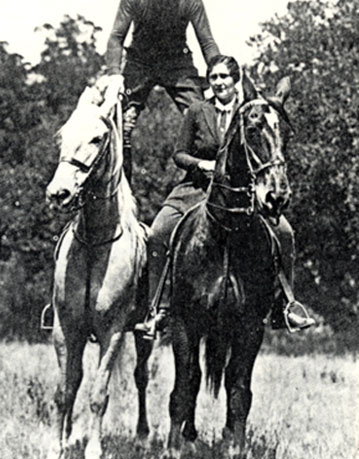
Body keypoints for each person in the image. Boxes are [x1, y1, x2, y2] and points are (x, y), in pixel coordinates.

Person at [135, 54, 315, 337]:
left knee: (285, 233)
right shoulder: (197, 110)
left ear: (236, 81)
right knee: (158, 231)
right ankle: (158, 308)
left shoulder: (249, 113)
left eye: (224, 77)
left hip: (238, 194)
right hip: (195, 188)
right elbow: (179, 154)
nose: (218, 83)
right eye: (214, 77)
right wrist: (201, 164)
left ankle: (285, 306)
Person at [101, 0, 221, 180]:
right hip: (140, 62)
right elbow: (116, 37)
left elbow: (206, 41)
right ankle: (120, 187)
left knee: (204, 120)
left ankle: (205, 181)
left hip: (177, 64)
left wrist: (221, 71)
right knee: (119, 125)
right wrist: (115, 73)